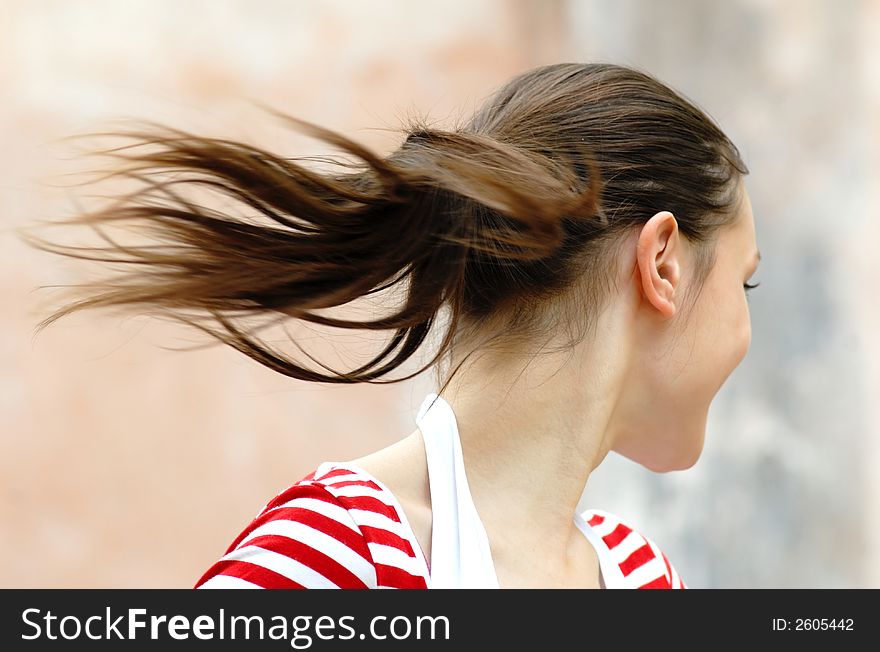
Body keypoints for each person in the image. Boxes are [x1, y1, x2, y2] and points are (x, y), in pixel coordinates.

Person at [21, 61, 759, 589]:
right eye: (745, 278)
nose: (746, 329)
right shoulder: (341, 553)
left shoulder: (642, 578)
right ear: (662, 263)